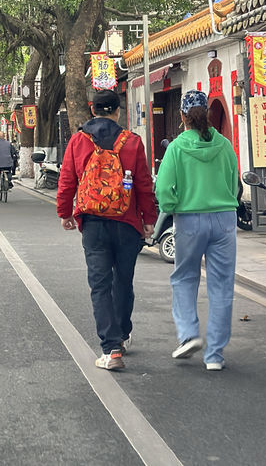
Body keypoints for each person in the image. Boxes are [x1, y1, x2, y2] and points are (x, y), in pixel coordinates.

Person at [57, 90, 156, 371]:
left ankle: (111, 349)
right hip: (127, 222)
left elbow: (67, 180)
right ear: (117, 111)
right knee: (123, 281)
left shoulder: (78, 140)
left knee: (100, 285)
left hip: (93, 223)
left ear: (92, 109)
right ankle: (122, 335)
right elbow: (144, 185)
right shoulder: (132, 142)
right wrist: (149, 219)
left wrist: (65, 212)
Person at [155, 89, 239, 371]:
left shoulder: (177, 147)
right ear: (208, 114)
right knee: (222, 284)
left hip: (189, 218)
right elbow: (234, 184)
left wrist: (173, 206)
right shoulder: (225, 145)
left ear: (182, 117)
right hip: (224, 219)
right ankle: (215, 355)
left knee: (184, 278)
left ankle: (189, 335)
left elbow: (164, 189)